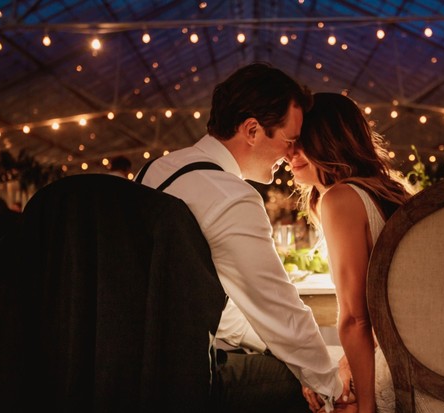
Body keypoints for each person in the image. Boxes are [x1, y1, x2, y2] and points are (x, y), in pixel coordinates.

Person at [138, 63, 348, 413]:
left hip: (126, 363)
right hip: (180, 379)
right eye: (290, 140)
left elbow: (216, 310)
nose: (290, 155)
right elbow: (279, 308)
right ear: (252, 129)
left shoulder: (156, 169)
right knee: (298, 383)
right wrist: (331, 387)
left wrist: (271, 345)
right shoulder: (231, 195)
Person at [291, 93, 444, 413]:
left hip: (426, 380)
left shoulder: (340, 198)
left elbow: (355, 319)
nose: (290, 153)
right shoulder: (388, 190)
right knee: (333, 371)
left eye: (301, 141)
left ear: (329, 141)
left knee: (327, 395)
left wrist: (364, 407)